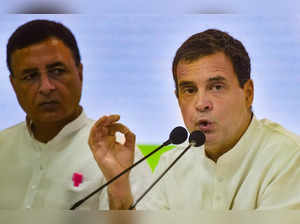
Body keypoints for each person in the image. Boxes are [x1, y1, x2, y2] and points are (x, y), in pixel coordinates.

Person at [89, 29, 300, 210]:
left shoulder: (288, 158)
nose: (201, 104)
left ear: (248, 93)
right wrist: (119, 186)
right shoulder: (171, 164)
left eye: (216, 87)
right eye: (189, 90)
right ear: (178, 98)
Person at [0, 19, 151, 210]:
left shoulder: (117, 152)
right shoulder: (3, 147)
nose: (46, 87)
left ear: (80, 73)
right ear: (14, 85)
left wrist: (118, 189)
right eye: (30, 76)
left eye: (57, 71)